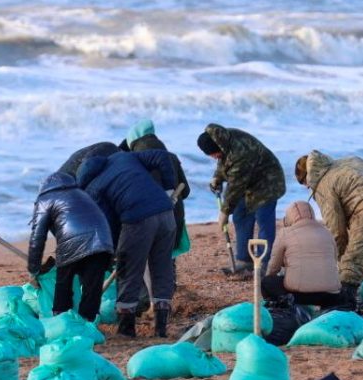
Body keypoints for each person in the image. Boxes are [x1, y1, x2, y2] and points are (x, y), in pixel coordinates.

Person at [76, 149, 177, 337]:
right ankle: (161, 327)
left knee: (128, 270)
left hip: (138, 220)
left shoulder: (94, 187)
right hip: (167, 212)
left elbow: (108, 224)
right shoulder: (124, 157)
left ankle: (127, 328)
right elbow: (163, 156)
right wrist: (169, 189)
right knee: (162, 268)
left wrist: (114, 252)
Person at [295, 150, 363, 294]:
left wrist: (340, 260)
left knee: (352, 266)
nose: (307, 187)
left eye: (304, 183)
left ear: (308, 177)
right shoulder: (348, 161)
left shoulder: (323, 185)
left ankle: (346, 304)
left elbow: (336, 230)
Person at [197, 123, 286, 275]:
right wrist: (217, 178)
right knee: (240, 216)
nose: (213, 157)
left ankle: (264, 263)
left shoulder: (240, 152)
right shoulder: (223, 140)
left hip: (267, 181)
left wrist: (224, 212)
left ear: (217, 146)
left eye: (213, 154)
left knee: (263, 220)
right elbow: (224, 161)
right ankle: (244, 261)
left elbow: (235, 186)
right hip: (248, 182)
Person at [26, 172, 114, 322]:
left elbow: (37, 237)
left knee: (64, 285)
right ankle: (87, 326)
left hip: (73, 244)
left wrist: (33, 270)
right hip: (103, 241)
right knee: (91, 289)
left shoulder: (45, 199)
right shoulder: (81, 193)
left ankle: (62, 322)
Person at [126, 118, 191, 252]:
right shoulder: (171, 157)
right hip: (175, 220)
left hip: (148, 224)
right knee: (166, 261)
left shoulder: (134, 162)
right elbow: (185, 191)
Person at [263, 201, 344, 307]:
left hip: (299, 296)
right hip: (330, 295)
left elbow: (273, 268)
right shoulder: (327, 232)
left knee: (267, 282)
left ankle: (287, 305)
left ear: (289, 218)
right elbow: (333, 260)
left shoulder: (285, 233)